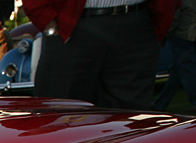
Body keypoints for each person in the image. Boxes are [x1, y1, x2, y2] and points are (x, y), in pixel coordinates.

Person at [24, 0, 180, 109]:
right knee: (60, 113)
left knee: (129, 120)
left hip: (136, 22)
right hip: (73, 26)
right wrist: (46, 19)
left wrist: (160, 23)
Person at [153, 0, 196, 110]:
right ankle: (161, 103)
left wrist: (167, 31)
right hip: (189, 32)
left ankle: (195, 101)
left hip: (182, 33)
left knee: (186, 69)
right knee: (178, 70)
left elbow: (175, 13)